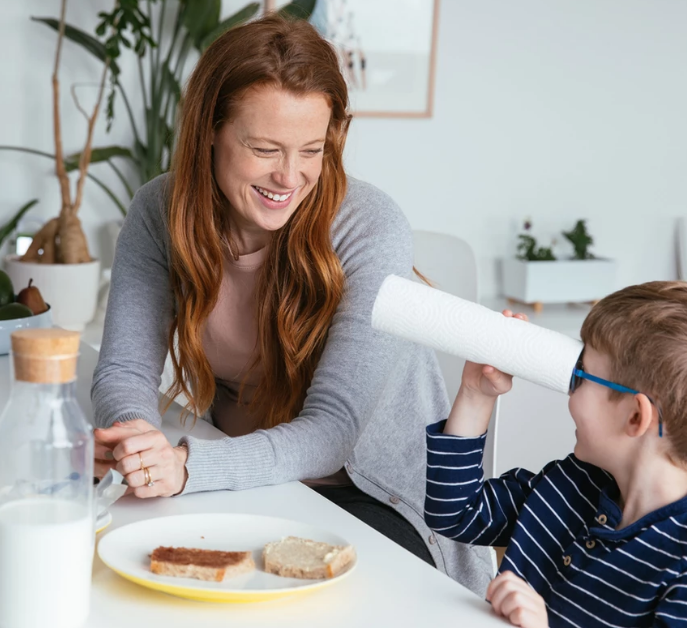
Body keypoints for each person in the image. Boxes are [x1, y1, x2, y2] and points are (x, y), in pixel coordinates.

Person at [91, 14, 493, 594]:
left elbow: (333, 433)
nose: (290, 176)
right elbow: (125, 368)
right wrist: (135, 442)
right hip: (243, 475)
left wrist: (183, 468)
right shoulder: (160, 210)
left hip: (370, 497)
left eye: (311, 150)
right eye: (263, 148)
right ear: (209, 129)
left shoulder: (367, 225)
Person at [424, 281, 687, 627]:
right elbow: (456, 513)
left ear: (636, 416)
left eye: (581, 376)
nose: (569, 392)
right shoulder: (572, 483)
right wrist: (476, 392)